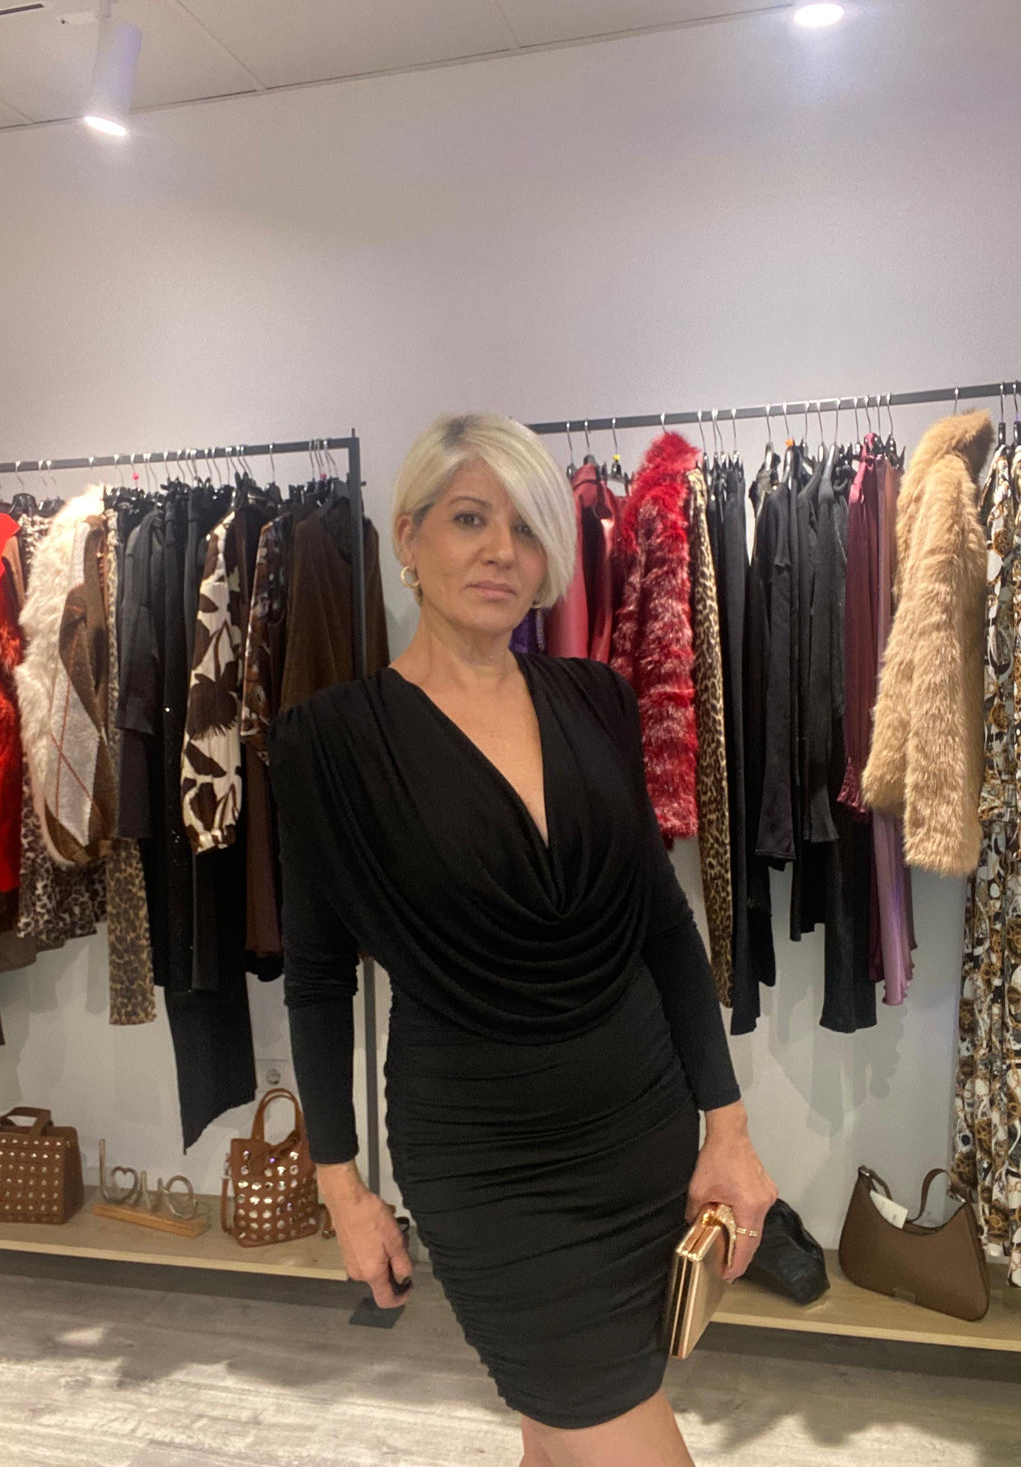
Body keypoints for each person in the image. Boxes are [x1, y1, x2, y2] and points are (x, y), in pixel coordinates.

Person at [266, 413, 777, 1467]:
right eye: (469, 519)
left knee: (559, 1435)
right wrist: (341, 1188)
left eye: (527, 528)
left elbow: (663, 925)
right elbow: (316, 983)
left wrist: (726, 1129)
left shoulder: (595, 699)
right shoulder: (330, 742)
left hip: (641, 1132)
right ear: (407, 538)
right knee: (607, 1427)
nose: (502, 550)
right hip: (488, 1166)